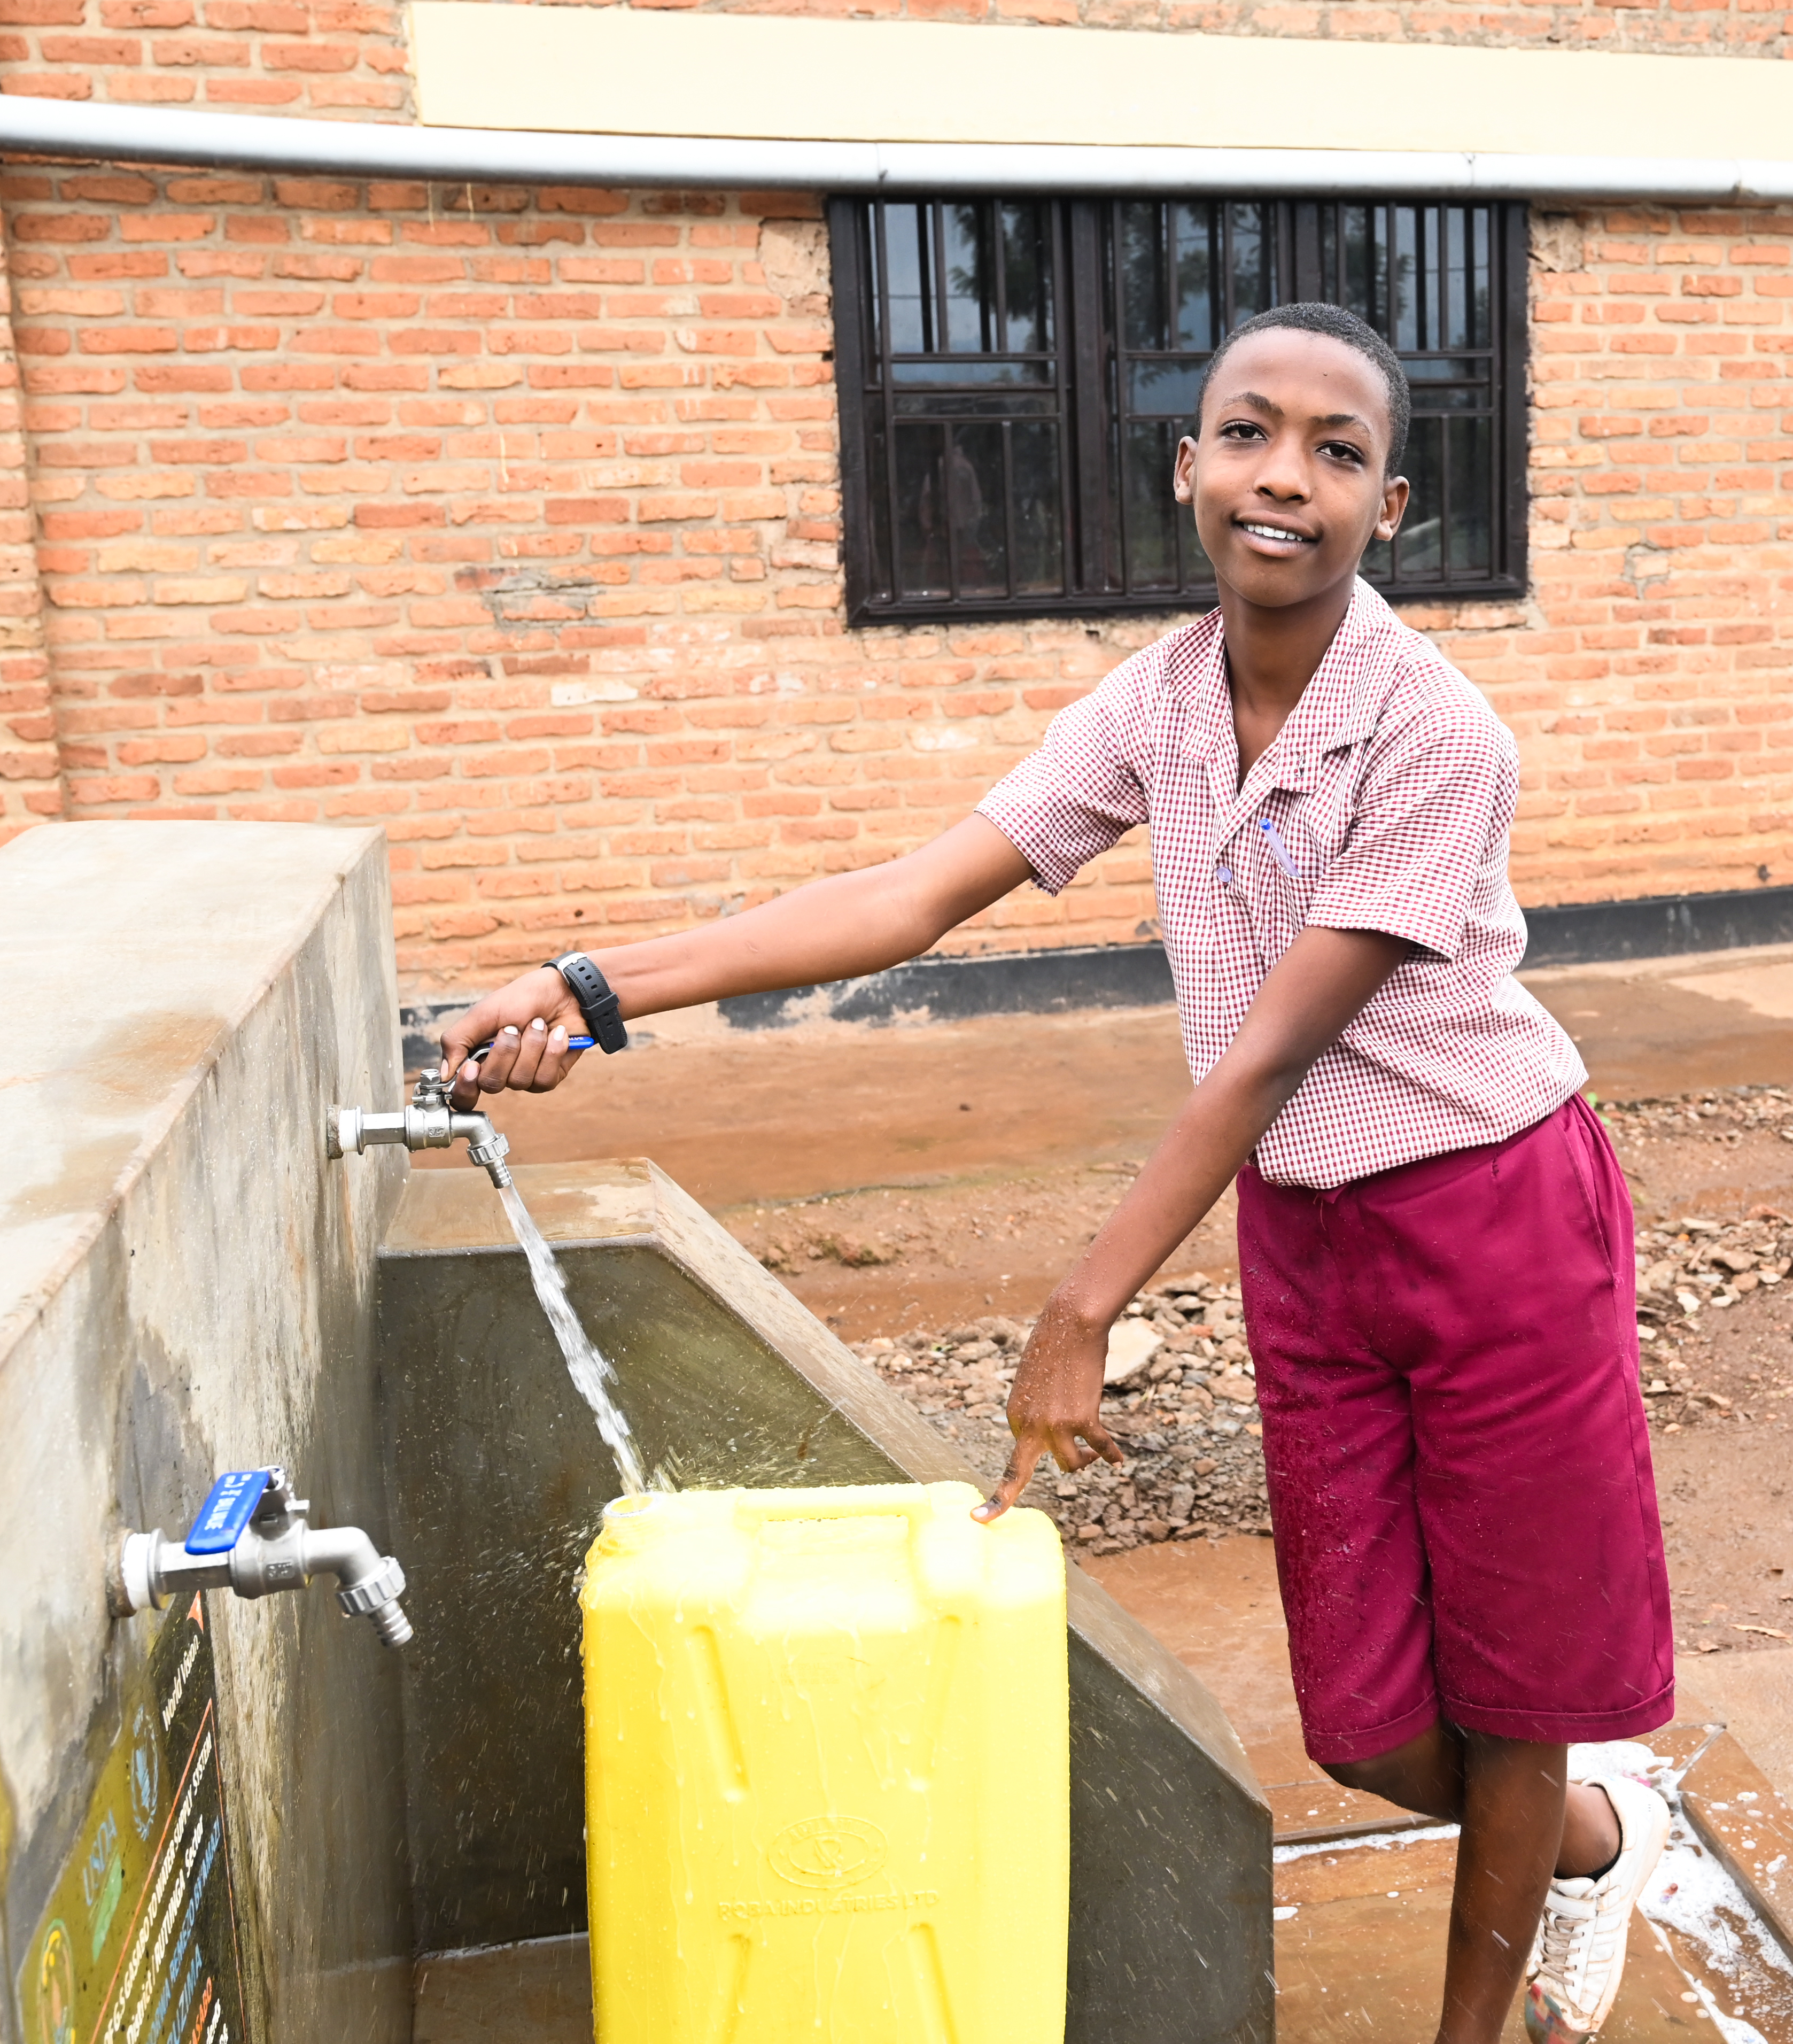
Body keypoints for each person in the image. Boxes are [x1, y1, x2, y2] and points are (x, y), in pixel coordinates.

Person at [437, 301, 1676, 2044]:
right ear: (1188, 468)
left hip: (1497, 1216)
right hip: (1309, 1238)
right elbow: (907, 897)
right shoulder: (1155, 705)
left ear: (1389, 511)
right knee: (1375, 1728)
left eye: (1339, 452)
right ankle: (1603, 1838)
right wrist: (588, 987)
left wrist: (1083, 1302)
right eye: (1250, 433)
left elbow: (1269, 1050)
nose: (1286, 478)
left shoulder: (1438, 732)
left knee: (1522, 1684)